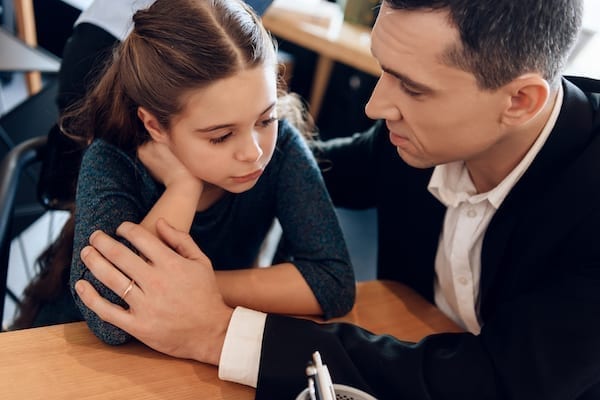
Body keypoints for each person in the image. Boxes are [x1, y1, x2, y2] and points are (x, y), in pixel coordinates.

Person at [74, 0, 600, 398]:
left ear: (520, 100)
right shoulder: (415, 139)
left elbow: (493, 383)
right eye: (382, 69)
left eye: (411, 87)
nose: (374, 105)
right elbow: (301, 166)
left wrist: (217, 331)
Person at [11, 0, 277, 329]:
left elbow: (331, 284)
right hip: (71, 348)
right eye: (221, 136)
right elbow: (108, 321)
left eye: (267, 118)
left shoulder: (272, 139)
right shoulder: (112, 158)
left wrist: (200, 290)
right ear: (155, 127)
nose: (253, 152)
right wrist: (183, 186)